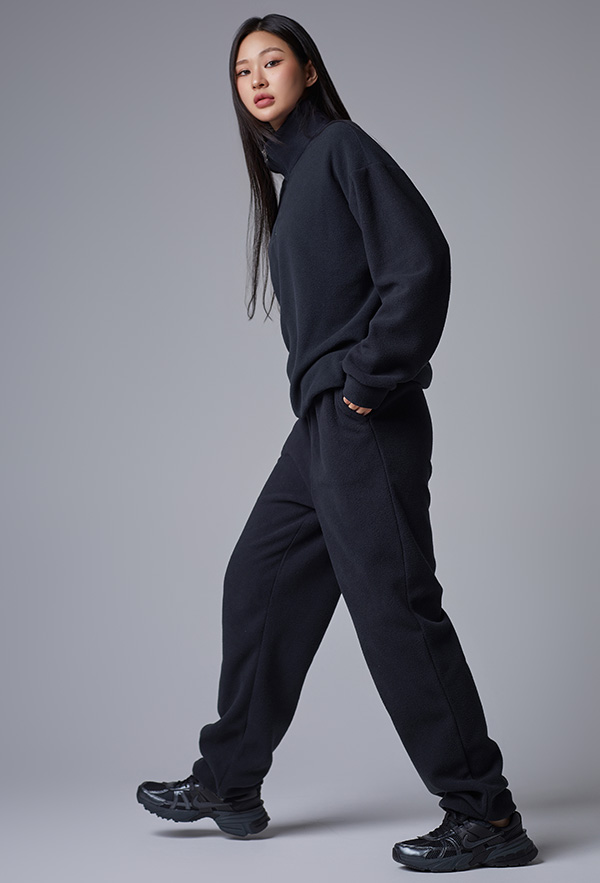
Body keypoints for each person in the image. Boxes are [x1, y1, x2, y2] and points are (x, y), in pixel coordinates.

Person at [136, 13, 538, 872]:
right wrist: (338, 396)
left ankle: (486, 814)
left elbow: (421, 261)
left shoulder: (343, 149)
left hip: (365, 418)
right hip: (322, 424)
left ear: (310, 71)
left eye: (272, 61)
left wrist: (367, 381)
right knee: (260, 576)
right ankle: (230, 780)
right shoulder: (294, 183)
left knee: (393, 611)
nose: (255, 79)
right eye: (241, 69)